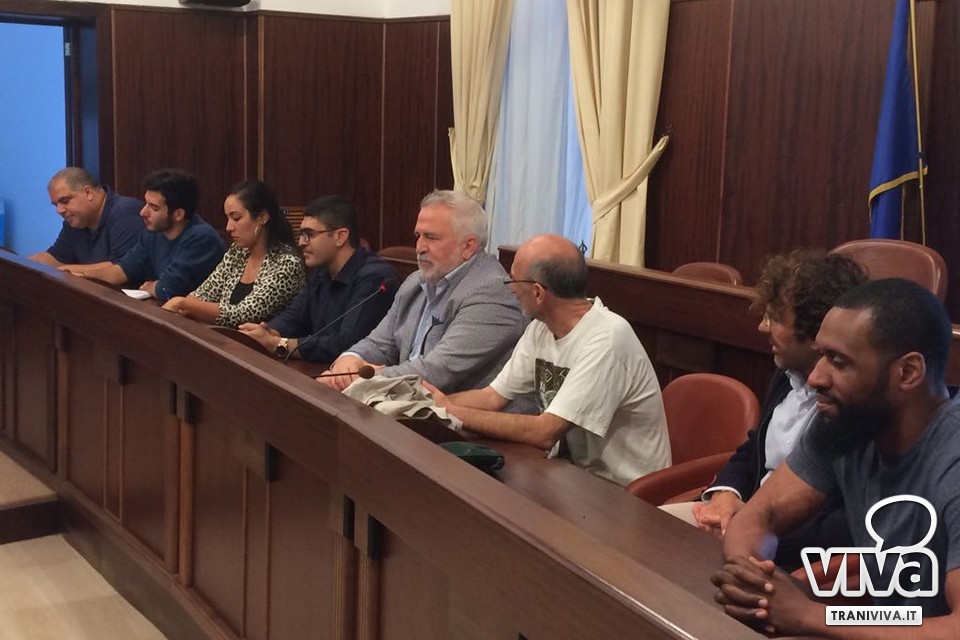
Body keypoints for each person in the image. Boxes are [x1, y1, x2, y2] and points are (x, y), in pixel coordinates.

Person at [712, 278, 960, 637]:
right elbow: (758, 515)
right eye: (821, 355)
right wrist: (752, 581)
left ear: (907, 372)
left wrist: (811, 615)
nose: (815, 377)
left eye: (838, 361)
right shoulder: (849, 424)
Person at [664, 251, 866, 566]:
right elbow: (752, 451)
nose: (762, 326)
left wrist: (752, 528)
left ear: (818, 330)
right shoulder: (784, 377)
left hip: (790, 555)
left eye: (775, 318)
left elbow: (845, 524)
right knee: (638, 537)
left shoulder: (858, 405)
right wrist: (726, 494)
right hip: (741, 521)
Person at [426, 234, 670, 487]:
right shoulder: (540, 329)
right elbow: (492, 397)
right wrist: (425, 404)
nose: (510, 288)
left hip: (623, 492)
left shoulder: (607, 339)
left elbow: (544, 431)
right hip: (571, 477)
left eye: (513, 280)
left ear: (537, 293)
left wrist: (451, 411)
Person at [317, 189, 525, 393]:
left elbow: (437, 371)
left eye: (431, 237)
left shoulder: (493, 293)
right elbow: (379, 344)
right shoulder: (416, 283)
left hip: (457, 412)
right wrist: (350, 359)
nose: (419, 247)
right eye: (418, 236)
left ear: (468, 246)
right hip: (408, 402)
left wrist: (360, 378)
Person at [238, 195, 399, 360]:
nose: (301, 242)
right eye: (301, 234)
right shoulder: (321, 271)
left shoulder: (375, 278)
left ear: (340, 236)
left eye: (309, 234)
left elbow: (348, 343)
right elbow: (294, 318)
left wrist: (278, 344)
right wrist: (267, 332)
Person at [162, 181, 304, 327]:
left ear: (262, 217)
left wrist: (184, 303)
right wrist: (185, 306)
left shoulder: (287, 263)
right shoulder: (238, 251)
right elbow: (204, 293)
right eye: (228, 218)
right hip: (222, 336)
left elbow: (243, 314)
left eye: (236, 218)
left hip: (254, 341)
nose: (229, 227)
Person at [77, 168, 225, 302]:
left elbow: (168, 289)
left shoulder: (202, 239)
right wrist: (82, 278)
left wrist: (153, 286)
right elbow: (123, 270)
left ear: (178, 214)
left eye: (154, 208)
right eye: (146, 203)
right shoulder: (153, 233)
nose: (143, 212)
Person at [29, 167, 143, 269]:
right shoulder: (75, 221)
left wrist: (67, 270)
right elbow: (56, 257)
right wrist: (23, 266)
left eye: (65, 201)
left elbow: (121, 268)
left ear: (88, 193)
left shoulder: (125, 213)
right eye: (56, 205)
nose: (59, 210)